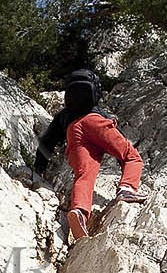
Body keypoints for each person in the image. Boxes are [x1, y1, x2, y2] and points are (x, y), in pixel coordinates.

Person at [34, 68, 147, 242]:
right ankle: (127, 188)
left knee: (84, 174)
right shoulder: (96, 110)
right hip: (95, 122)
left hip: (73, 130)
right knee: (131, 156)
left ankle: (79, 211)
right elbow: (115, 141)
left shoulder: (63, 116)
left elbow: (47, 140)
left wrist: (39, 167)